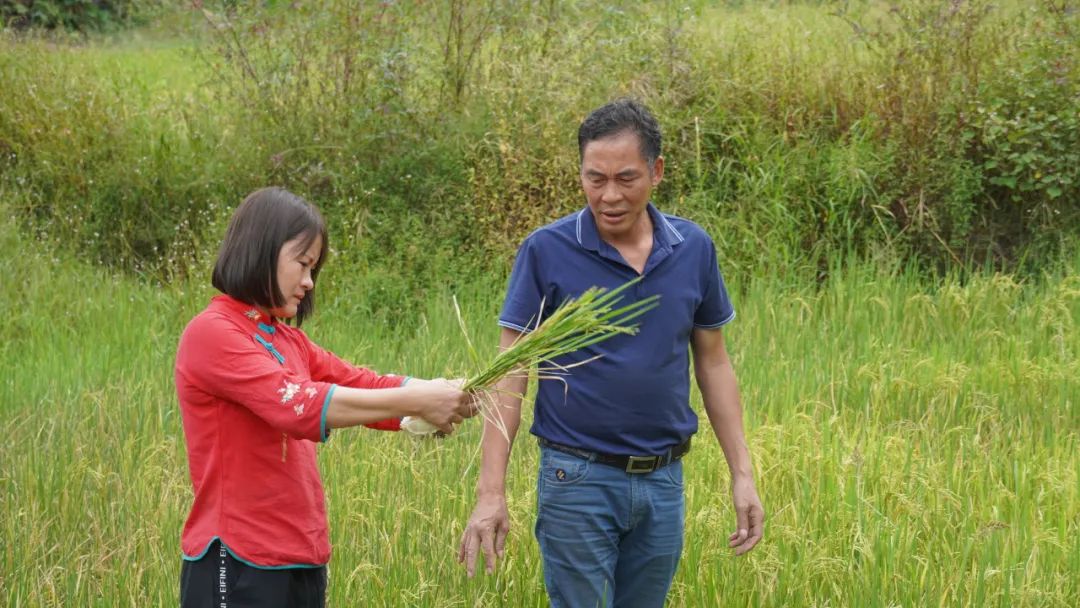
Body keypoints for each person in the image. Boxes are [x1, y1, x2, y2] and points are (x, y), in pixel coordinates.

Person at [458, 99, 764, 607]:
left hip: (663, 479)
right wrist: (491, 493)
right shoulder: (547, 250)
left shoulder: (692, 249)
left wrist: (742, 474)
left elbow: (713, 361)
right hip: (575, 477)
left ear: (657, 171)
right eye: (594, 179)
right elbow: (510, 376)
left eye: (626, 178)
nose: (609, 195)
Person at [175, 187, 477, 607]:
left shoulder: (286, 339)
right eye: (302, 264)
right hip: (239, 559)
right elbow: (298, 402)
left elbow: (361, 382)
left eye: (313, 267)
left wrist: (443, 391)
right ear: (260, 251)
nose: (308, 281)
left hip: (301, 556)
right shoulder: (212, 333)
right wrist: (417, 401)